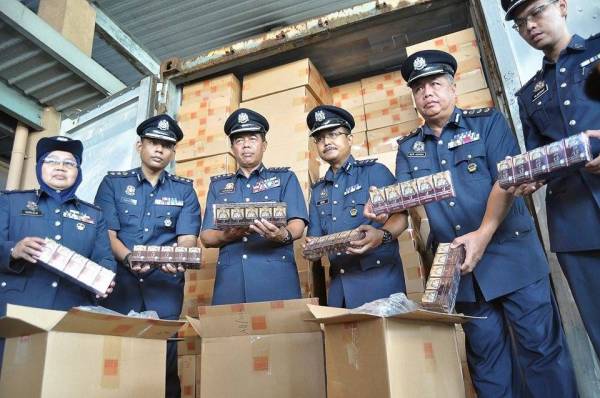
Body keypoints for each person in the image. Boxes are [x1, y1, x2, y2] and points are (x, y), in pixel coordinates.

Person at [366, 49, 576, 396]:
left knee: (542, 352)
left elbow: (506, 179)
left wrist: (483, 234)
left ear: (453, 88)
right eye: (418, 89)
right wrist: (382, 206)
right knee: (487, 362)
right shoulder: (408, 148)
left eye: (434, 84)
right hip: (461, 272)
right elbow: (406, 200)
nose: (427, 93)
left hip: (512, 257)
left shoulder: (487, 123)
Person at [502, 0, 600, 359]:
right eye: (519, 22)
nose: (530, 25)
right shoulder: (529, 95)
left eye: (536, 11)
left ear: (562, 6)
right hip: (576, 226)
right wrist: (527, 179)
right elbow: (537, 159)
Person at [94, 114, 201, 398]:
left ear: (173, 152)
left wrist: (179, 256)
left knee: (164, 363)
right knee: (114, 357)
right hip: (120, 286)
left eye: (166, 145)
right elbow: (108, 235)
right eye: (153, 142)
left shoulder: (185, 190)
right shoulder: (113, 185)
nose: (159, 149)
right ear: (138, 145)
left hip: (164, 287)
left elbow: (188, 237)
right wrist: (129, 259)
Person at [0, 136, 115, 366]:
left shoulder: (94, 215)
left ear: (78, 172)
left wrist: (106, 281)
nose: (61, 167)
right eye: (52, 160)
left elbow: (104, 258)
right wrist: (14, 249)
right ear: (39, 167)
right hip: (18, 311)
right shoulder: (10, 202)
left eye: (69, 163)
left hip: (70, 314)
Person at [199, 108, 308, 304]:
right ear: (232, 148)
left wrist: (281, 235)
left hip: (276, 278)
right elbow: (206, 236)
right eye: (239, 140)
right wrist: (226, 236)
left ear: (264, 145)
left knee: (281, 333)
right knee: (232, 333)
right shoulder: (219, 186)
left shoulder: (284, 179)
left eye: (252, 139)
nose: (246, 145)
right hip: (231, 282)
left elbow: (298, 223)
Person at [306, 105, 407, 308]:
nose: (327, 142)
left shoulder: (375, 172)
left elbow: (402, 217)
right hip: (340, 288)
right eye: (320, 138)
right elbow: (314, 240)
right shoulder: (318, 191)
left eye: (333, 134)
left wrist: (383, 235)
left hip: (380, 281)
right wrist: (310, 250)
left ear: (349, 139)